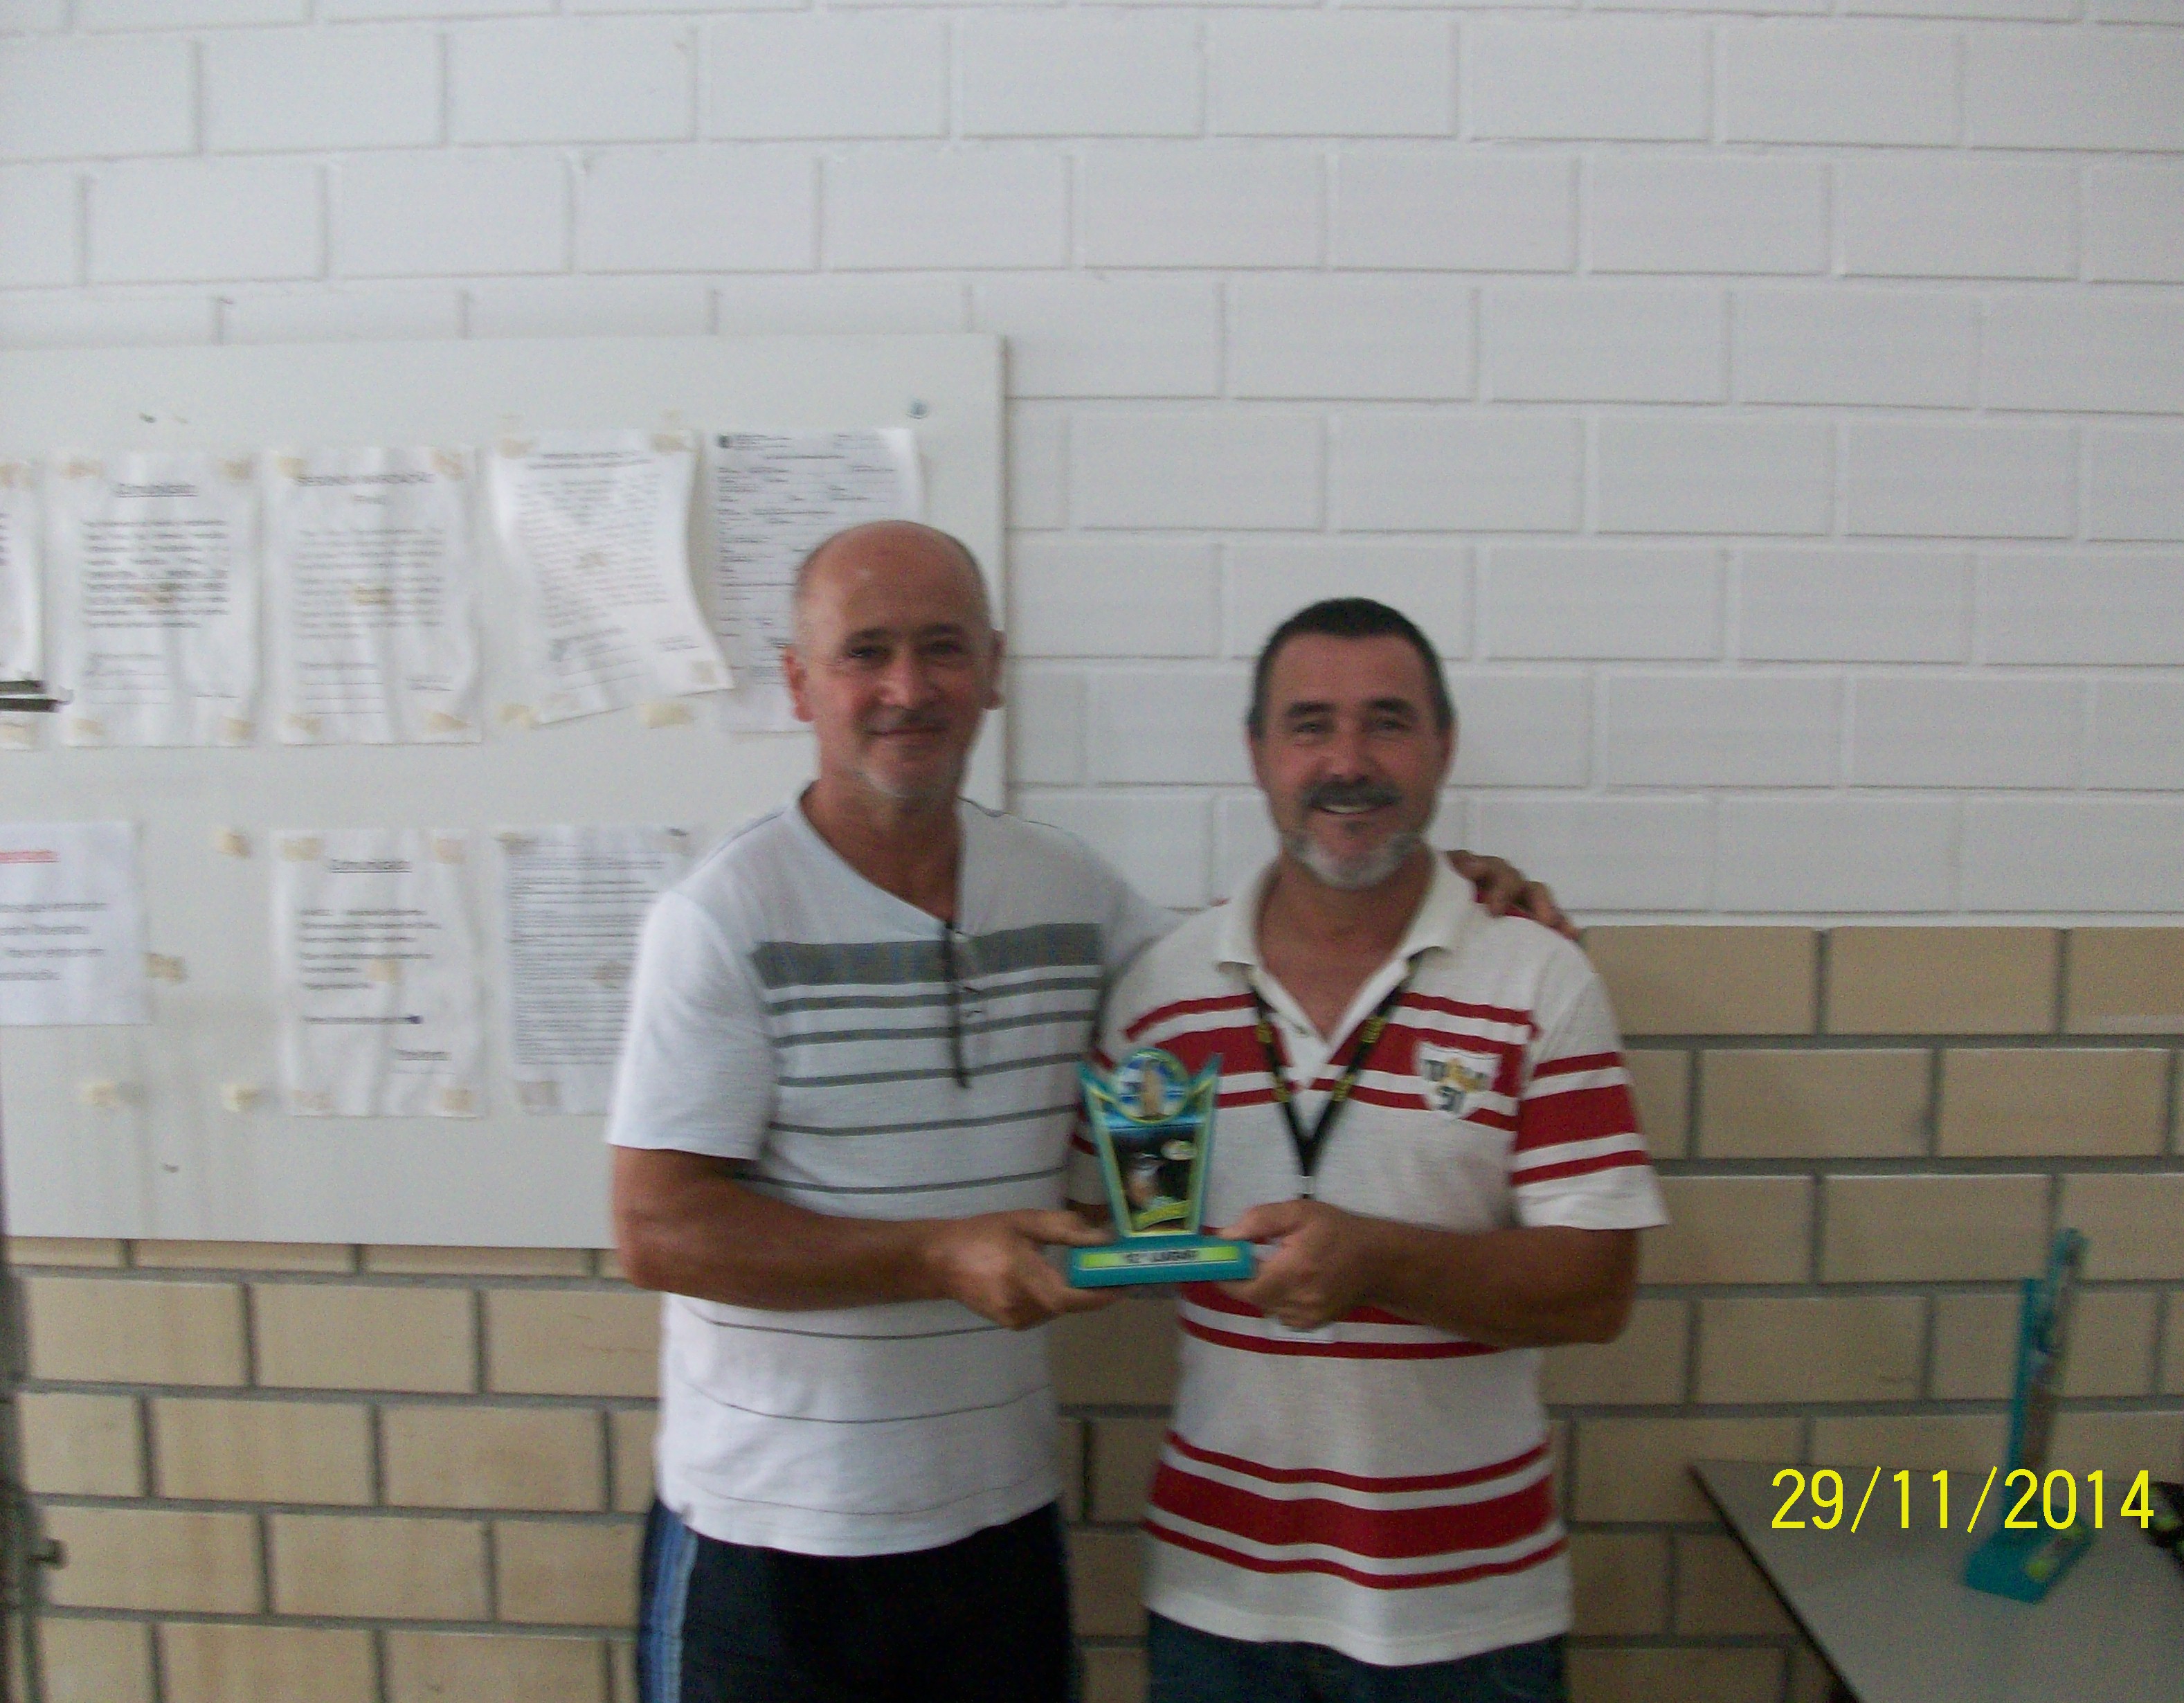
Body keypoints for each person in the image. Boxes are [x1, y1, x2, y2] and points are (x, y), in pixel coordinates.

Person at [608, 524, 1567, 1703]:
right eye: (866, 652)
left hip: (996, 1523)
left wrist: (1446, 889)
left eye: (943, 648)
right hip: (765, 1537)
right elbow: (657, 1229)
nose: (909, 688)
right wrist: (935, 1255)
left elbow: (1248, 967)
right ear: (801, 683)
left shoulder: (1070, 893)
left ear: (993, 671)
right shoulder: (719, 918)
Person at [1080, 598, 1666, 1703]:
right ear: (1257, 752)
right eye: (1310, 725)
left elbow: (1597, 1291)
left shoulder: (1538, 980)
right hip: (1217, 1603)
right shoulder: (1161, 998)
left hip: (1468, 1617)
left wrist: (1378, 1259)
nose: (1347, 762)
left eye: (1387, 723)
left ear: (1443, 745)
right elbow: (1120, 1233)